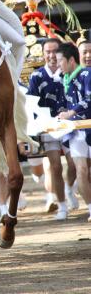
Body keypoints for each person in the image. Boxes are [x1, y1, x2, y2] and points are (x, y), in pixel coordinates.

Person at [27, 38, 78, 220]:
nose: (51, 56)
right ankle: (62, 206)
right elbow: (31, 104)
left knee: (75, 164)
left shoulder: (70, 73)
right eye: (47, 52)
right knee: (55, 166)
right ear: (42, 54)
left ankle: (69, 189)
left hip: (70, 125)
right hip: (48, 126)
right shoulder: (36, 76)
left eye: (54, 51)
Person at [56, 42, 91, 222]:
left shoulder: (87, 73)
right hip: (76, 132)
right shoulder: (65, 79)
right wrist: (62, 114)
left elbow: (89, 99)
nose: (58, 64)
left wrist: (72, 112)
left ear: (71, 60)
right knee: (81, 170)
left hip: (89, 128)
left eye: (60, 61)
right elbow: (66, 104)